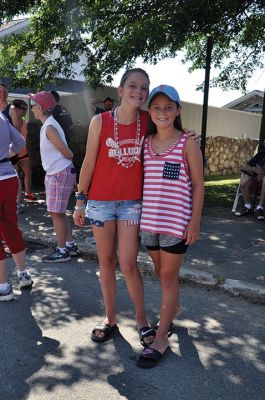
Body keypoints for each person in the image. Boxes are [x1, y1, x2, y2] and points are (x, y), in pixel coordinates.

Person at [73, 69, 198, 346]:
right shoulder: (100, 121)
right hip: (100, 204)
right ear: (120, 89)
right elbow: (89, 163)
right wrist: (80, 201)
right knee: (105, 262)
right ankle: (110, 317)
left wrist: (190, 136)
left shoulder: (148, 119)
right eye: (132, 86)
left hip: (131, 205)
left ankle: (141, 321)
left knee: (128, 264)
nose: (138, 92)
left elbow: (171, 133)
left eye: (144, 87)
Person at [137, 85, 204, 368]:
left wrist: (195, 221)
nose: (162, 112)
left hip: (176, 223)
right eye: (156, 107)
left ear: (178, 110)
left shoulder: (188, 142)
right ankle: (173, 308)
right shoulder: (145, 142)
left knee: (167, 278)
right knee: (163, 274)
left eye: (168, 107)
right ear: (150, 112)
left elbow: (199, 186)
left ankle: (162, 336)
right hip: (149, 222)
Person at [29, 91, 79, 262]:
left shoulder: (49, 127)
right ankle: (69, 246)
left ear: (41, 108)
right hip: (58, 172)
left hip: (59, 173)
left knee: (55, 213)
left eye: (34, 105)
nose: (32, 108)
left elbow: (67, 152)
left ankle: (62, 250)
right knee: (59, 212)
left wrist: (69, 156)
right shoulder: (49, 124)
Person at [0, 112, 33, 301]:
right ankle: (23, 274)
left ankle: (3, 287)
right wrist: (5, 154)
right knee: (11, 227)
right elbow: (20, 141)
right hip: (9, 178)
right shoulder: (2, 117)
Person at [12, 99, 38, 203]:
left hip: (23, 152)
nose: (25, 110)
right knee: (15, 177)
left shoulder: (24, 122)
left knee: (28, 172)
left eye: (26, 108)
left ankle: (28, 194)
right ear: (16, 109)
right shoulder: (8, 121)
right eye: (23, 108)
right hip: (12, 153)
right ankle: (14, 200)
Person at [235, 139, 265, 220]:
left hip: (263, 180)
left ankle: (260, 207)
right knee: (244, 179)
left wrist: (261, 173)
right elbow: (245, 166)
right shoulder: (260, 155)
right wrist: (255, 170)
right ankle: (247, 206)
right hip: (255, 179)